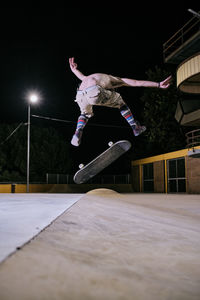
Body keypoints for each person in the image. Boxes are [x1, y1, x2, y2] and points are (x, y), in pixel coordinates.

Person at [69, 57, 171, 146]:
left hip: (80, 94)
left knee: (85, 114)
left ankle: (78, 131)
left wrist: (74, 69)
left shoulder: (88, 77)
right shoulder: (115, 80)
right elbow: (137, 83)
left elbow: (81, 76)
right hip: (94, 91)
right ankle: (135, 127)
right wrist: (158, 84)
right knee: (121, 104)